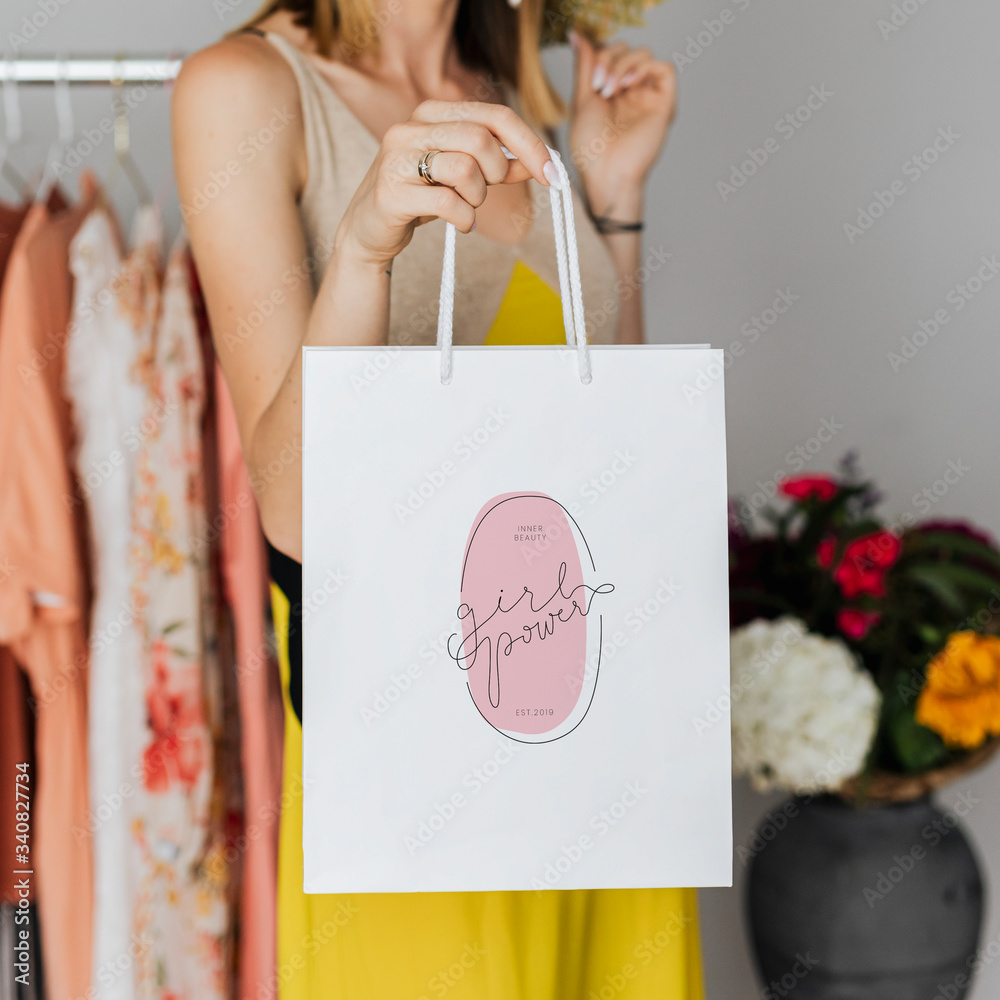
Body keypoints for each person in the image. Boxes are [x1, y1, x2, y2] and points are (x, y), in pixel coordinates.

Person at [172, 1, 700, 996]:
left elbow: (612, 446)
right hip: (421, 763)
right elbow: (294, 509)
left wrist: (613, 198)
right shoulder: (244, 89)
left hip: (600, 740)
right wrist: (367, 248)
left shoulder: (509, 91)